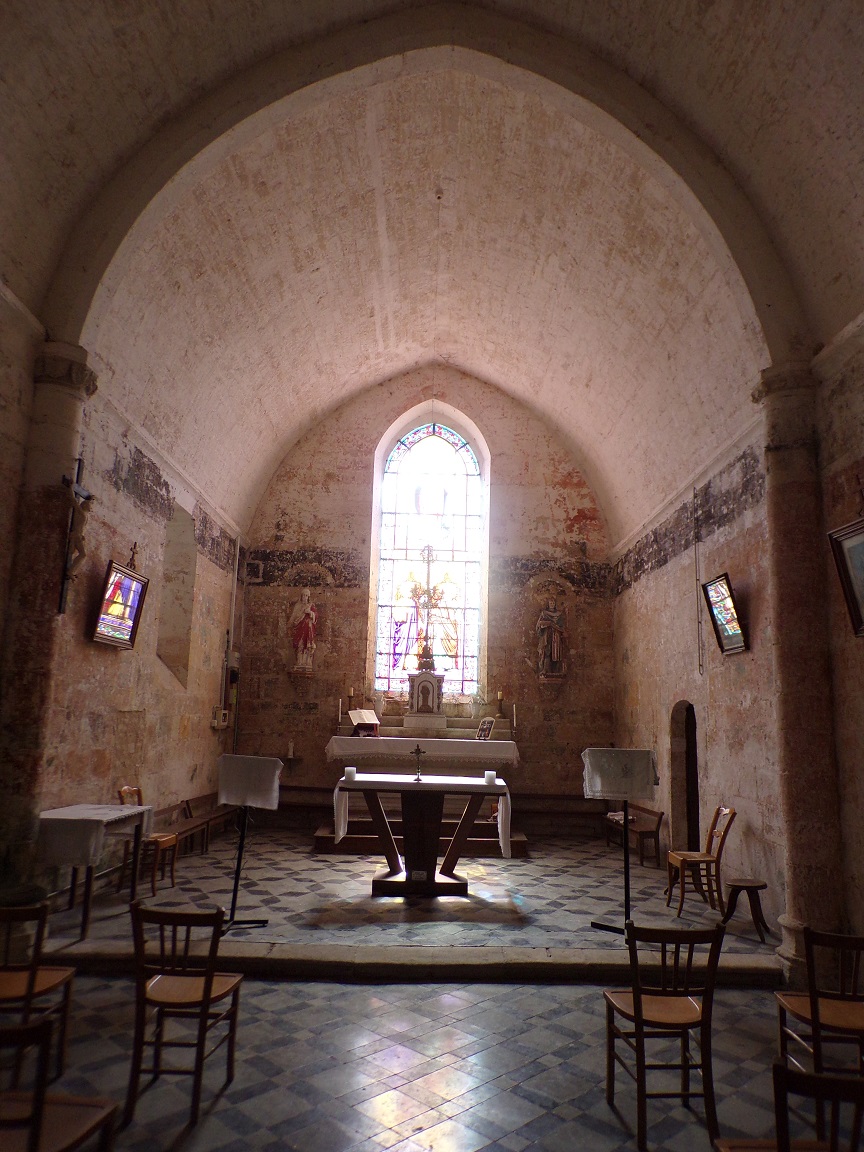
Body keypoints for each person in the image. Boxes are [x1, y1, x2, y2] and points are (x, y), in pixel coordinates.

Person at [536, 595, 566, 679]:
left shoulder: (559, 614)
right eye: (550, 602)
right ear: (548, 604)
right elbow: (538, 625)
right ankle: (545, 670)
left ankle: (556, 671)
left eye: (553, 602)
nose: (552, 604)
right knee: (546, 651)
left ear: (555, 604)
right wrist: (544, 625)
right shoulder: (544, 613)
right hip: (547, 635)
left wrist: (554, 626)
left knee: (556, 653)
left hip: (556, 635)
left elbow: (562, 627)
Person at [290, 587, 317, 671]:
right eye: (303, 595)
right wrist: (290, 624)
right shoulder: (298, 606)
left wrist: (310, 613)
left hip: (308, 629)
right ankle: (299, 662)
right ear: (301, 596)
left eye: (306, 596)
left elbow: (316, 615)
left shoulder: (311, 605)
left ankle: (307, 662)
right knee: (300, 644)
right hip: (299, 628)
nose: (305, 597)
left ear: (309, 597)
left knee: (307, 645)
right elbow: (294, 617)